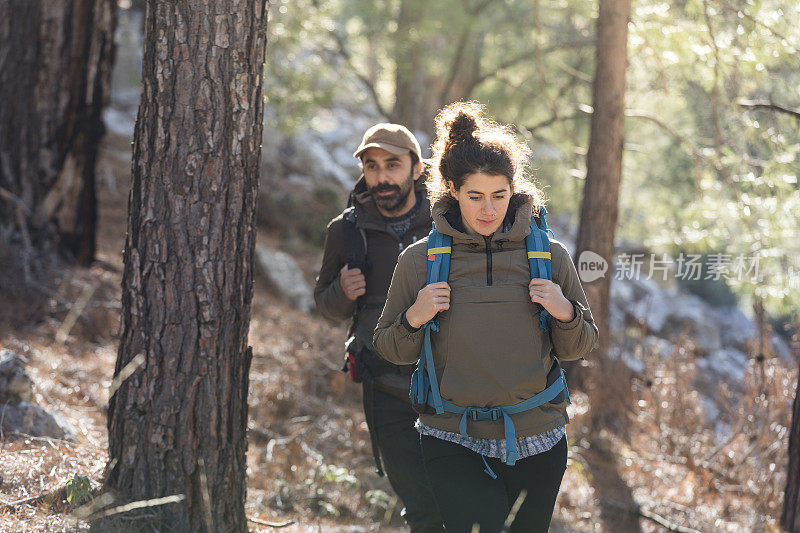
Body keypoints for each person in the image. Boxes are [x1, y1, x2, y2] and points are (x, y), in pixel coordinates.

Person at [373, 102, 599, 533]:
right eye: (475, 196)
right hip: (452, 436)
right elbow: (391, 349)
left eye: (499, 195)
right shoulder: (421, 261)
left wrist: (564, 310)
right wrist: (415, 316)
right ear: (453, 190)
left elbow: (582, 344)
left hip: (538, 437)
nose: (488, 210)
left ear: (513, 189)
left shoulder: (549, 257)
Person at [314, 123, 444, 532]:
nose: (382, 177)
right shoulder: (346, 230)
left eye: (392, 164)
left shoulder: (447, 222)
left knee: (456, 497)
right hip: (384, 388)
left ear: (417, 169)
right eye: (372, 167)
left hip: (449, 385)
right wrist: (342, 292)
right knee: (420, 502)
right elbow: (325, 305)